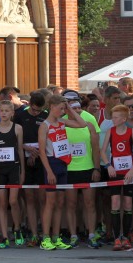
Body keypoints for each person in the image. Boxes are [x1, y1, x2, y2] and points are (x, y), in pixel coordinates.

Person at [39, 95, 88, 250]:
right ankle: (45, 238)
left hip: (63, 163)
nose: (62, 111)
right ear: (51, 107)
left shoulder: (61, 122)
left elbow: (82, 124)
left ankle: (56, 236)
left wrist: (69, 109)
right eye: (60, 108)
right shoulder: (45, 126)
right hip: (51, 163)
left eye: (63, 109)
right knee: (50, 202)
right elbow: (41, 151)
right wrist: (49, 171)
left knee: (60, 203)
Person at [103, 102, 133, 250]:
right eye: (112, 117)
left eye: (116, 117)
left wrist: (132, 170)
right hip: (115, 172)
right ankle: (116, 238)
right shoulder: (111, 131)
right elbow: (103, 151)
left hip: (128, 173)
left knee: (127, 203)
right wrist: (108, 165)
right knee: (115, 202)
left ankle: (125, 237)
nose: (113, 119)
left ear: (123, 119)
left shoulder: (131, 132)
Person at [63, 91, 101, 248]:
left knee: (89, 203)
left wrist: (97, 168)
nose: (76, 110)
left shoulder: (89, 121)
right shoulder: (61, 122)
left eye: (78, 107)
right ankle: (73, 235)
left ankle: (91, 234)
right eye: (73, 107)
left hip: (87, 168)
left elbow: (96, 148)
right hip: (69, 169)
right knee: (71, 204)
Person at [0, 100, 26, 248]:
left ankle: (17, 228)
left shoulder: (17, 128)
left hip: (14, 168)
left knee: (13, 201)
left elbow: (20, 150)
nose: (4, 113)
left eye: (6, 111)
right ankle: (4, 236)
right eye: (1, 110)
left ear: (12, 113)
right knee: (2, 203)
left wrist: (22, 171)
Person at [15, 92, 49, 245]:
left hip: (41, 159)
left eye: (39, 111)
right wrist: (26, 148)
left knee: (42, 199)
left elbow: (49, 139)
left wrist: (37, 152)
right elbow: (14, 138)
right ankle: (34, 234)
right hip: (25, 159)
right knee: (29, 198)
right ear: (29, 104)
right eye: (34, 110)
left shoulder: (46, 116)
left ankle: (44, 232)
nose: (36, 113)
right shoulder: (20, 116)